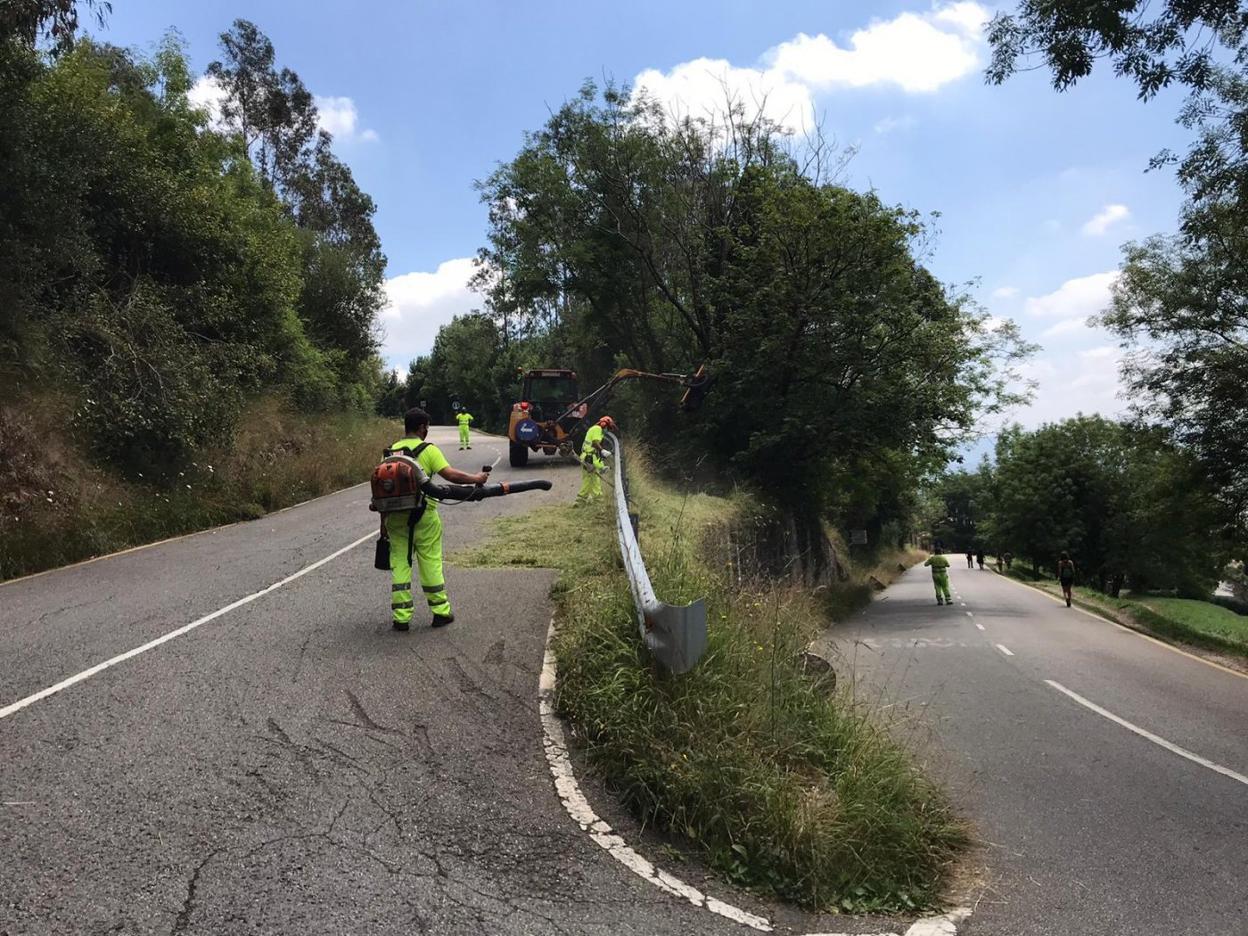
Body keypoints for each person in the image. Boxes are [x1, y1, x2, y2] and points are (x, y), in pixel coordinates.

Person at [386, 408, 488, 631]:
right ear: (422, 427)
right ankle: (440, 612)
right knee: (430, 561)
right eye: (427, 428)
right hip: (424, 517)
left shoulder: (389, 452)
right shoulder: (428, 450)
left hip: (394, 518)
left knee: (400, 564)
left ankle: (401, 618)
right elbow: (451, 476)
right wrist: (477, 478)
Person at [575, 415, 616, 506]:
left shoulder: (595, 429)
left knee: (589, 480)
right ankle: (597, 501)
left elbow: (595, 456)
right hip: (588, 458)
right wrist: (603, 450)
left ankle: (580, 501)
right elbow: (595, 443)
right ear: (604, 424)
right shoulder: (597, 429)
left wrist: (602, 466)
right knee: (594, 480)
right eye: (608, 428)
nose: (607, 430)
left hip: (588, 457)